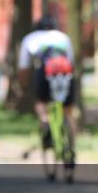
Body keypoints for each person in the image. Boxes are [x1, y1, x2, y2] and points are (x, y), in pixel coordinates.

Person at [17, 15, 76, 169]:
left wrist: (24, 87)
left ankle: (45, 121)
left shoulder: (30, 38)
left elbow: (24, 68)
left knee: (40, 101)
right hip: (65, 70)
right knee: (68, 112)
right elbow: (71, 61)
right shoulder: (63, 37)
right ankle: (71, 148)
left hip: (45, 71)